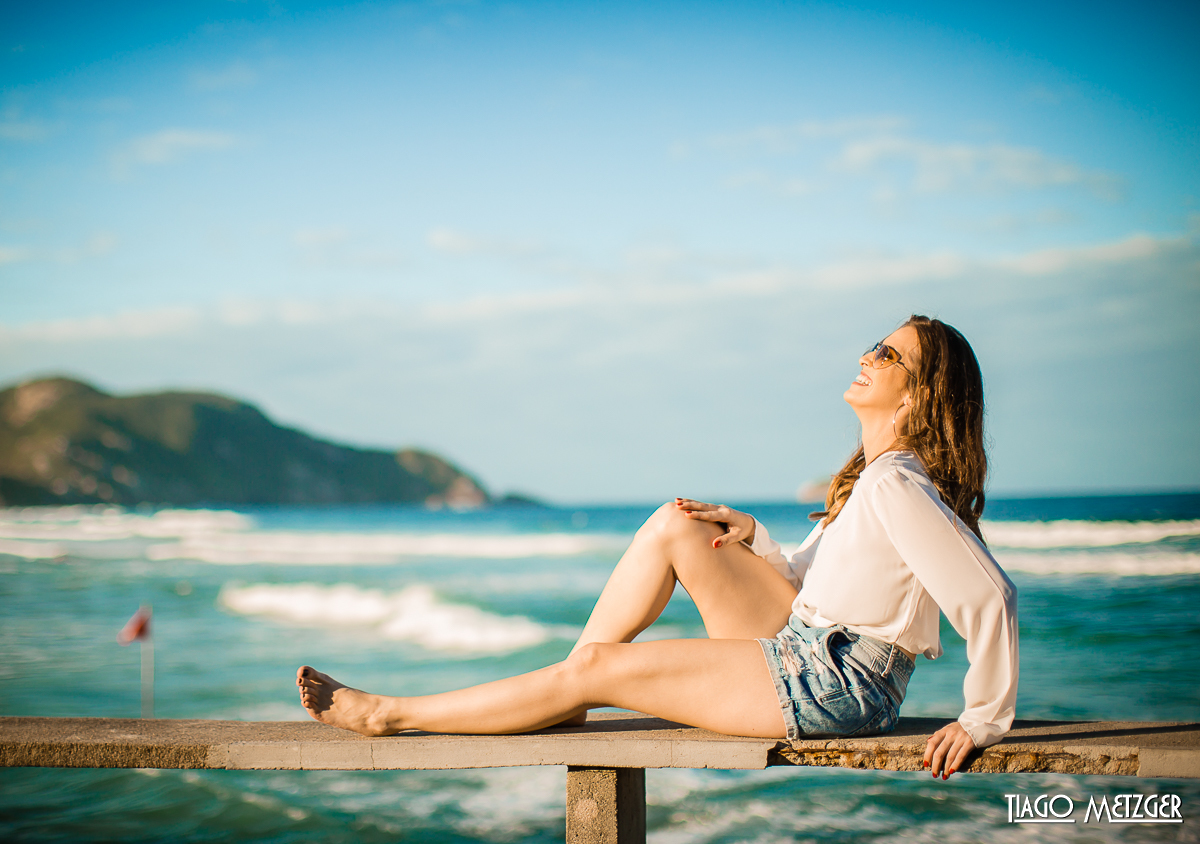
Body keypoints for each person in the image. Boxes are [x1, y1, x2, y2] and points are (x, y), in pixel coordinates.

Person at [297, 314, 1018, 781]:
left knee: (597, 666)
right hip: (812, 642)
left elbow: (988, 594)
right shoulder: (876, 480)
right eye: (873, 341)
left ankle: (389, 714)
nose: (866, 353)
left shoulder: (895, 481)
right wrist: (755, 538)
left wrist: (982, 716)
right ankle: (568, 697)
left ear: (920, 396)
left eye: (887, 353)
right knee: (678, 523)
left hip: (834, 682)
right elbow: (829, 587)